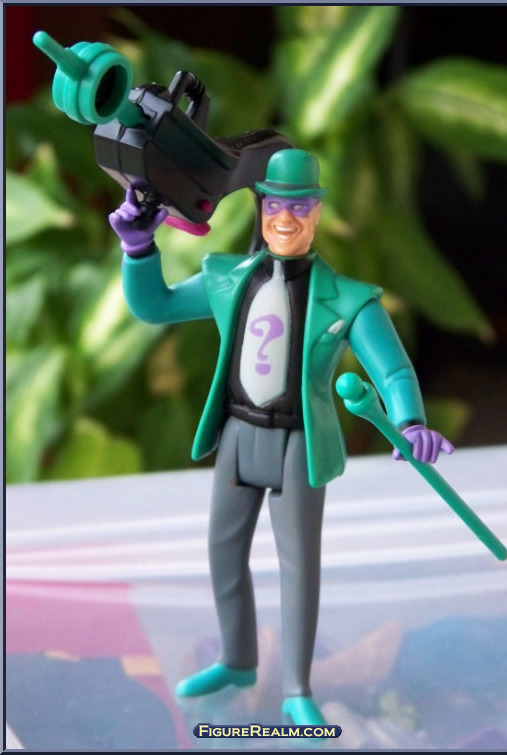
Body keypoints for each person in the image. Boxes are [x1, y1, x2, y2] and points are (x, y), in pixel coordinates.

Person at [110, 149, 453, 726]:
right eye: (274, 206)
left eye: (299, 207)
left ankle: (296, 687)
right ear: (261, 208)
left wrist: (411, 423)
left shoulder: (349, 299)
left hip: (298, 444)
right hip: (237, 433)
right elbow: (155, 306)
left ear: (316, 211)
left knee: (298, 567)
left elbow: (393, 371)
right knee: (223, 552)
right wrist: (138, 249)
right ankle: (237, 661)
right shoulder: (227, 278)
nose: (286, 219)